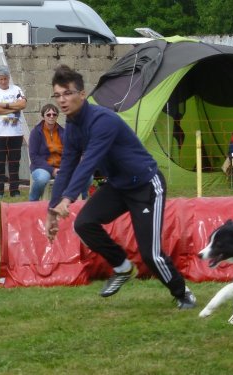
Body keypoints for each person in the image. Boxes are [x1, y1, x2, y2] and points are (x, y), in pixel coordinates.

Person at [45, 65, 196, 309]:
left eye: (67, 93)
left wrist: (68, 199)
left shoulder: (103, 121)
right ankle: (122, 267)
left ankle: (183, 294)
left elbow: (89, 162)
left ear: (82, 94)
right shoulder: (72, 126)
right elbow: (68, 165)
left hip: (146, 186)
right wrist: (52, 209)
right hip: (118, 186)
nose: (62, 100)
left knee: (150, 254)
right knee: (84, 224)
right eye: (57, 95)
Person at [0, 65, 27, 198]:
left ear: (9, 78)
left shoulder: (17, 89)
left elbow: (22, 104)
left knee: (15, 162)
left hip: (15, 133)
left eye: (6, 79)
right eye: (1, 79)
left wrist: (4, 105)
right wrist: (13, 109)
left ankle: (15, 190)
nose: (3, 82)